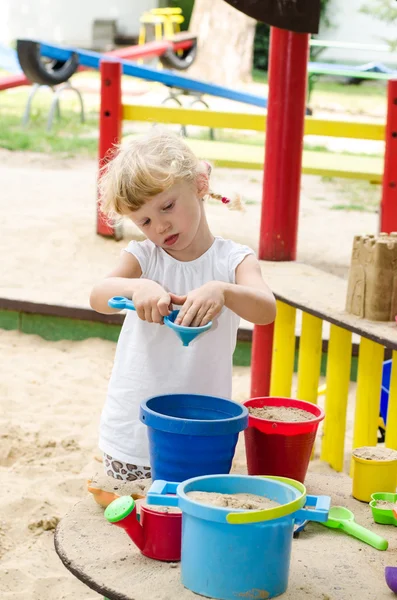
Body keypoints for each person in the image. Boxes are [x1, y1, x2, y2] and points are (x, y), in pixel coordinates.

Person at [90, 129, 276, 481]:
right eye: (144, 221)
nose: (159, 225)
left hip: (202, 429)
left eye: (167, 206)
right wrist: (137, 287)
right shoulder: (145, 257)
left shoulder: (233, 260)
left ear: (200, 185)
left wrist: (224, 291)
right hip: (133, 429)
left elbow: (266, 309)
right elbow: (99, 295)